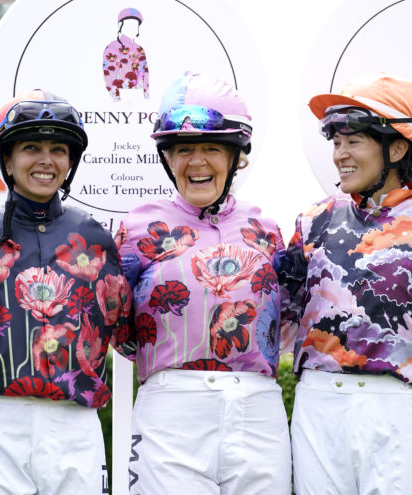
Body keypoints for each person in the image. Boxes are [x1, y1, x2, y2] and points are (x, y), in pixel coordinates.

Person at [278, 73, 412, 495]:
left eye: (354, 141)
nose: (340, 155)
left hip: (398, 409)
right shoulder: (312, 221)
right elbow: (277, 317)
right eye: (336, 142)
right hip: (318, 404)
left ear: (398, 147)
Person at [0, 89, 130, 494]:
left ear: (71, 161)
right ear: (6, 159)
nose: (46, 160)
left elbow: (121, 331)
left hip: (76, 424)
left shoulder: (96, 239)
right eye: (31, 147)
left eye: (58, 149)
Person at [115, 71, 292, 494]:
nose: (196, 161)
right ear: (166, 158)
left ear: (235, 158)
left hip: (257, 407)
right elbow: (117, 326)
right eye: (182, 150)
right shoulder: (137, 227)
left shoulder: (265, 228)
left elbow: (284, 320)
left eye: (211, 148)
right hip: (170, 407)